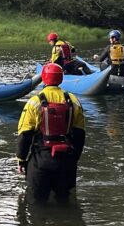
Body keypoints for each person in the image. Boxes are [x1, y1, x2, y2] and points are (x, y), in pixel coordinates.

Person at [16, 64, 86, 203]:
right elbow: (80, 134)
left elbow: (25, 135)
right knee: (65, 203)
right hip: (67, 162)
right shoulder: (74, 100)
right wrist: (74, 158)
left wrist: (21, 160)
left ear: (44, 79)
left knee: (37, 204)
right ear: (61, 78)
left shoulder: (34, 102)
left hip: (41, 162)